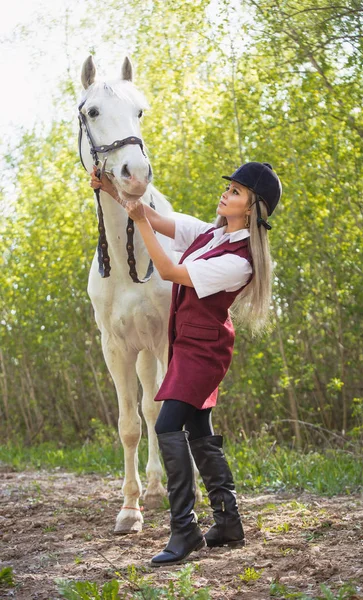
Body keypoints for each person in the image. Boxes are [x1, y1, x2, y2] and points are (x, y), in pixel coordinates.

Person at [90, 161, 282, 566]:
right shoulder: (212, 234)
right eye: (228, 187)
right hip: (188, 345)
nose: (225, 195)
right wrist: (112, 190)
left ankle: (185, 529)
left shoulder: (239, 260)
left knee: (165, 425)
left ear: (251, 209)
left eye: (235, 192)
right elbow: (158, 219)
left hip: (203, 352)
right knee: (198, 430)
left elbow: (169, 270)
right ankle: (228, 522)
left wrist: (140, 222)